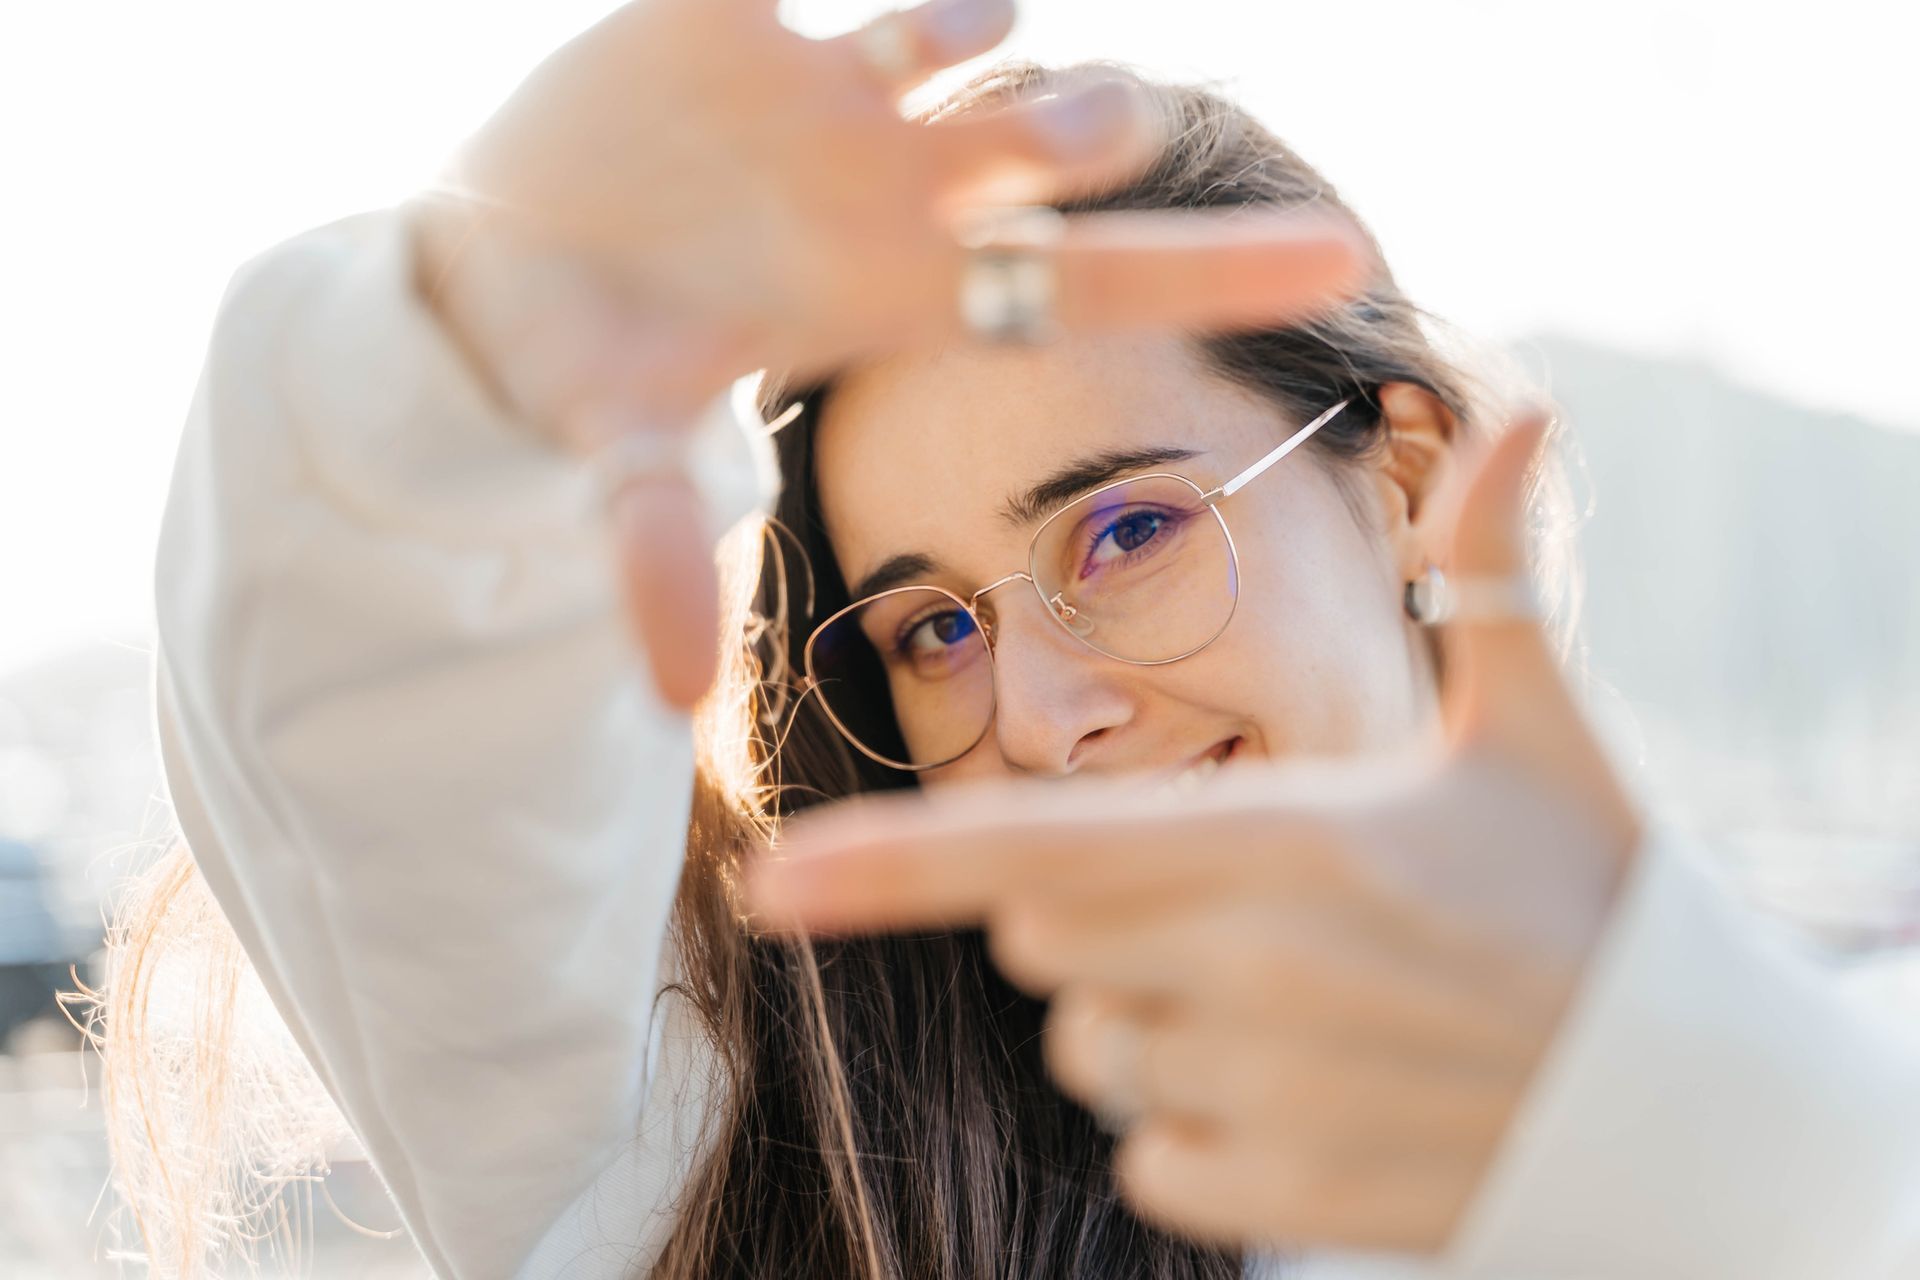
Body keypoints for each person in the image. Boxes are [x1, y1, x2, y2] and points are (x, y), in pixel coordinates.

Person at [99, 4, 1920, 1280]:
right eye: (935, 627)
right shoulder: (748, 1143)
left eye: (1126, 530)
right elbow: (383, 710)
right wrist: (468, 360)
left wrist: (1766, 1188)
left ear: (1407, 478)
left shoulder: (1824, 1100)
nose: (1040, 714)